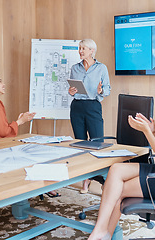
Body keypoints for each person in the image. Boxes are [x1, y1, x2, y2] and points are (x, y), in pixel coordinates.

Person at [88, 75, 155, 240]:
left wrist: (147, 131)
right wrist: (152, 131)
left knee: (118, 191)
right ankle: (101, 231)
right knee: (116, 169)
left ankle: (103, 233)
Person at [0, 74, 60, 197]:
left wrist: (18, 121)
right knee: (34, 152)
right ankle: (42, 185)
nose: (3, 84)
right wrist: (20, 122)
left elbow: (1, 128)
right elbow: (2, 132)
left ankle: (42, 185)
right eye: (0, 81)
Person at [68, 39, 111, 193]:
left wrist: (100, 91)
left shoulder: (101, 68)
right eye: (79, 48)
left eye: (83, 48)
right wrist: (71, 92)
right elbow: (73, 88)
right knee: (80, 144)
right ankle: (85, 180)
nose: (80, 51)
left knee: (98, 142)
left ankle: (104, 180)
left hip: (93, 106)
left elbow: (107, 89)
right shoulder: (75, 68)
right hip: (77, 106)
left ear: (92, 50)